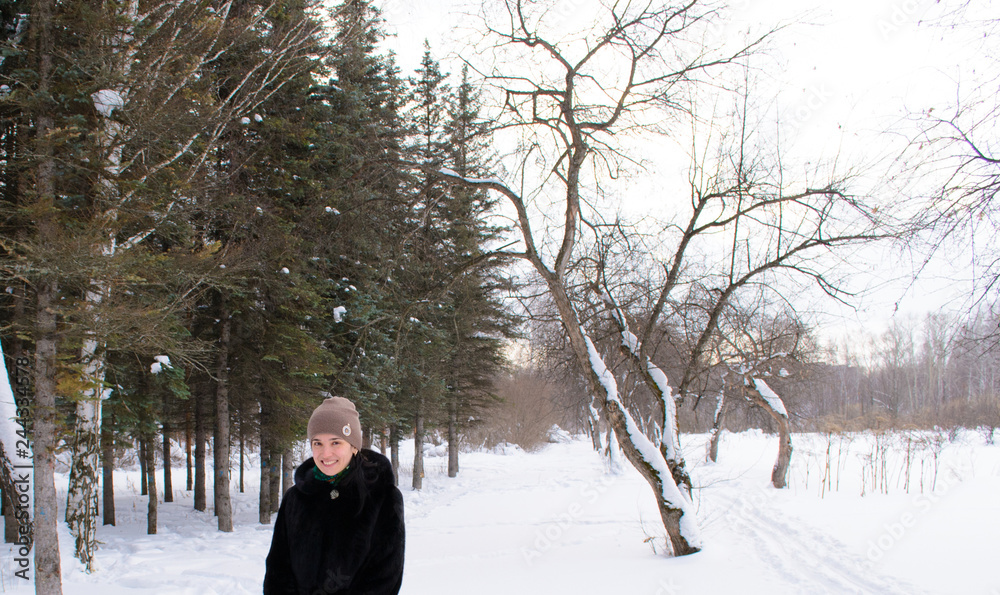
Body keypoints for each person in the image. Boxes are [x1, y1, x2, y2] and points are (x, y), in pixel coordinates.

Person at [264, 397, 405, 594]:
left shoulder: (382, 497)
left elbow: (384, 578)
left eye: (336, 442)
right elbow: (277, 570)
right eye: (318, 443)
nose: (326, 453)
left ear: (354, 446)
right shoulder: (295, 498)